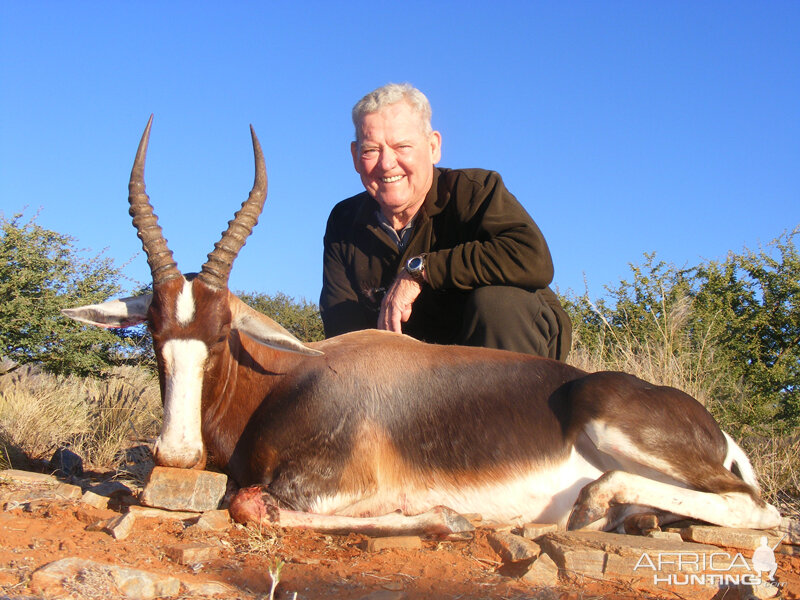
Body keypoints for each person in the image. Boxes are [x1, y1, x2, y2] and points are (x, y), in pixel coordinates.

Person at [320, 83, 572, 360]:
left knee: (498, 303)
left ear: (433, 147)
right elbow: (341, 326)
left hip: (509, 348)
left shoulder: (476, 190)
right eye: (371, 151)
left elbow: (531, 257)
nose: (386, 164)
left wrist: (419, 272)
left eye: (402, 146)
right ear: (355, 157)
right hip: (423, 373)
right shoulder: (344, 220)